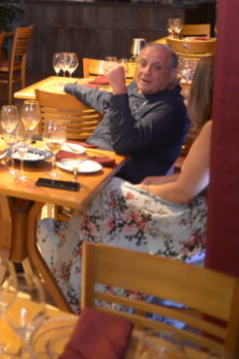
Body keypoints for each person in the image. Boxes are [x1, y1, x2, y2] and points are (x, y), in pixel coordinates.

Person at [37, 57, 214, 312]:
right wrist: (159, 180)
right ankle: (71, 257)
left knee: (104, 192)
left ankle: (79, 281)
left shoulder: (208, 126)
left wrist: (143, 189)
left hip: (187, 221)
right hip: (200, 213)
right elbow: (197, 177)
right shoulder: (222, 124)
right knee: (104, 193)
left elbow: (184, 191)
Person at [63, 42, 189, 183]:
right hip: (93, 157)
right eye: (143, 63)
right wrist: (70, 87)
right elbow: (108, 102)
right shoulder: (137, 87)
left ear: (172, 74)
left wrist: (119, 89)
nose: (146, 71)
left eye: (157, 67)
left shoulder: (171, 110)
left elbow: (124, 144)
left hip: (121, 180)